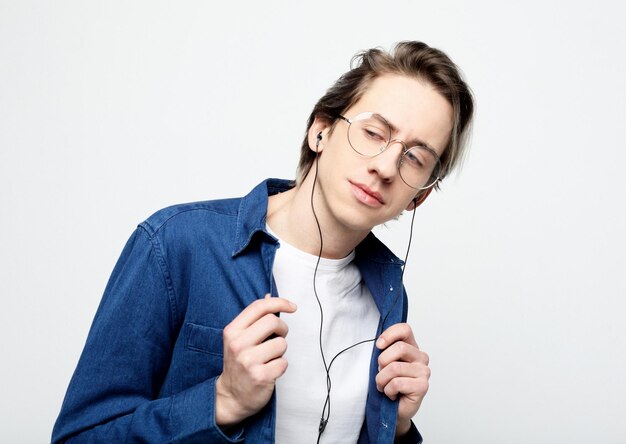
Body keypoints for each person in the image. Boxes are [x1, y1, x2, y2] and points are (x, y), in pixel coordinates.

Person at [52, 41, 474, 443]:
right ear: (321, 131)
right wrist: (222, 400)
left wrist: (396, 427)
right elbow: (79, 436)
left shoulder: (388, 294)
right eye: (373, 133)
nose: (384, 166)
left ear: (419, 196)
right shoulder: (176, 244)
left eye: (415, 158)